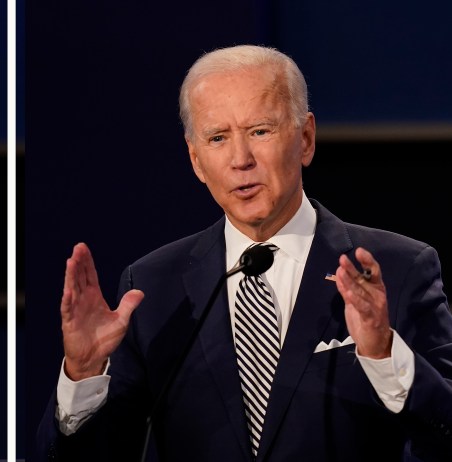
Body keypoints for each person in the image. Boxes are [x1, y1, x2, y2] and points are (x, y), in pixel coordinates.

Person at [35, 45, 452, 461]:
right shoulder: (152, 289)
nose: (240, 159)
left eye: (260, 131)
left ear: (305, 139)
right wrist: (83, 376)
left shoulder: (399, 269)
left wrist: (383, 354)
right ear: (196, 161)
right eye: (218, 138)